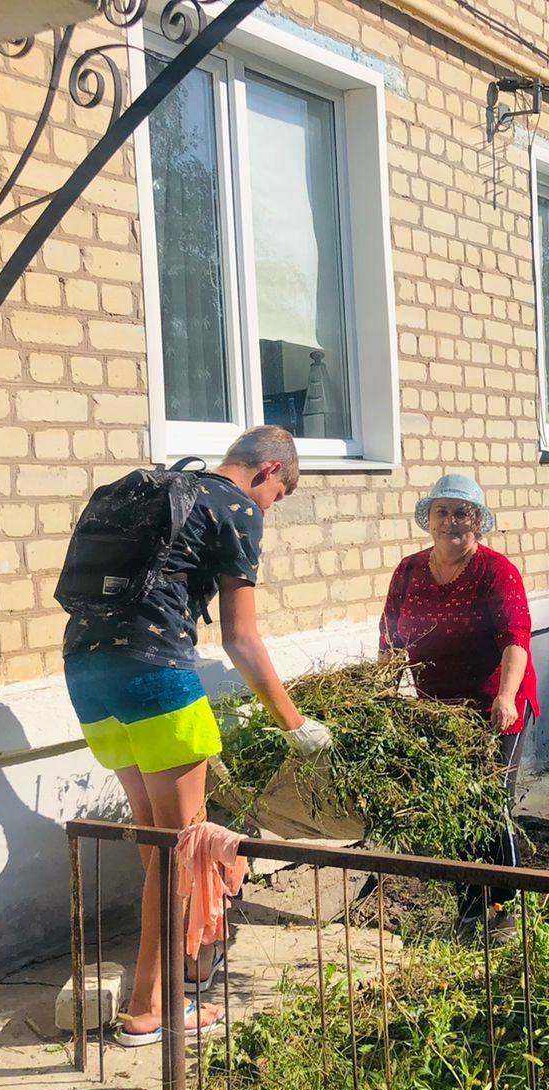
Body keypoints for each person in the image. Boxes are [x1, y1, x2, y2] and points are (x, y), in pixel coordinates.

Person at [62, 426, 332, 1046]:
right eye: (279, 496)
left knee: (159, 847)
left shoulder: (164, 490)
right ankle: (152, 1008)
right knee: (186, 850)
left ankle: (169, 985)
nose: (269, 508)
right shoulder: (235, 506)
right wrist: (296, 724)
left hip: (88, 674)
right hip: (156, 680)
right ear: (267, 472)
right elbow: (240, 638)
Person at [379, 473, 540, 944]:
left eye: (463, 513)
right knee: (458, 803)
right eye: (442, 512)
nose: (452, 522)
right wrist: (384, 694)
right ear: (428, 520)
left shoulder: (496, 571)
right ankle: (470, 909)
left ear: (479, 523)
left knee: (492, 805)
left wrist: (506, 698)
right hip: (441, 711)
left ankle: (505, 909)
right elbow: (390, 638)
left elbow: (517, 640)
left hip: (496, 705)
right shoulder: (409, 571)